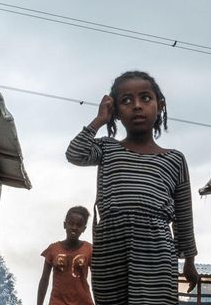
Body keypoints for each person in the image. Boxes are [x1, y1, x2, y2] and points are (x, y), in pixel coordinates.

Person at [65, 70, 200, 304]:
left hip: (155, 248)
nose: (137, 106)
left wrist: (189, 261)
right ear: (115, 111)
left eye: (145, 98)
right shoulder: (108, 148)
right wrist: (99, 120)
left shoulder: (174, 159)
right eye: (126, 101)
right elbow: (75, 153)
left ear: (160, 105)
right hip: (110, 248)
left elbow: (183, 214)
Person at [37, 206, 94, 305]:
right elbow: (44, 280)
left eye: (79, 225)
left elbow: (98, 279)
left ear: (84, 229)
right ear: (65, 225)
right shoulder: (53, 249)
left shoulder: (89, 249)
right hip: (57, 302)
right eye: (71, 223)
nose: (74, 228)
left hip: (83, 302)